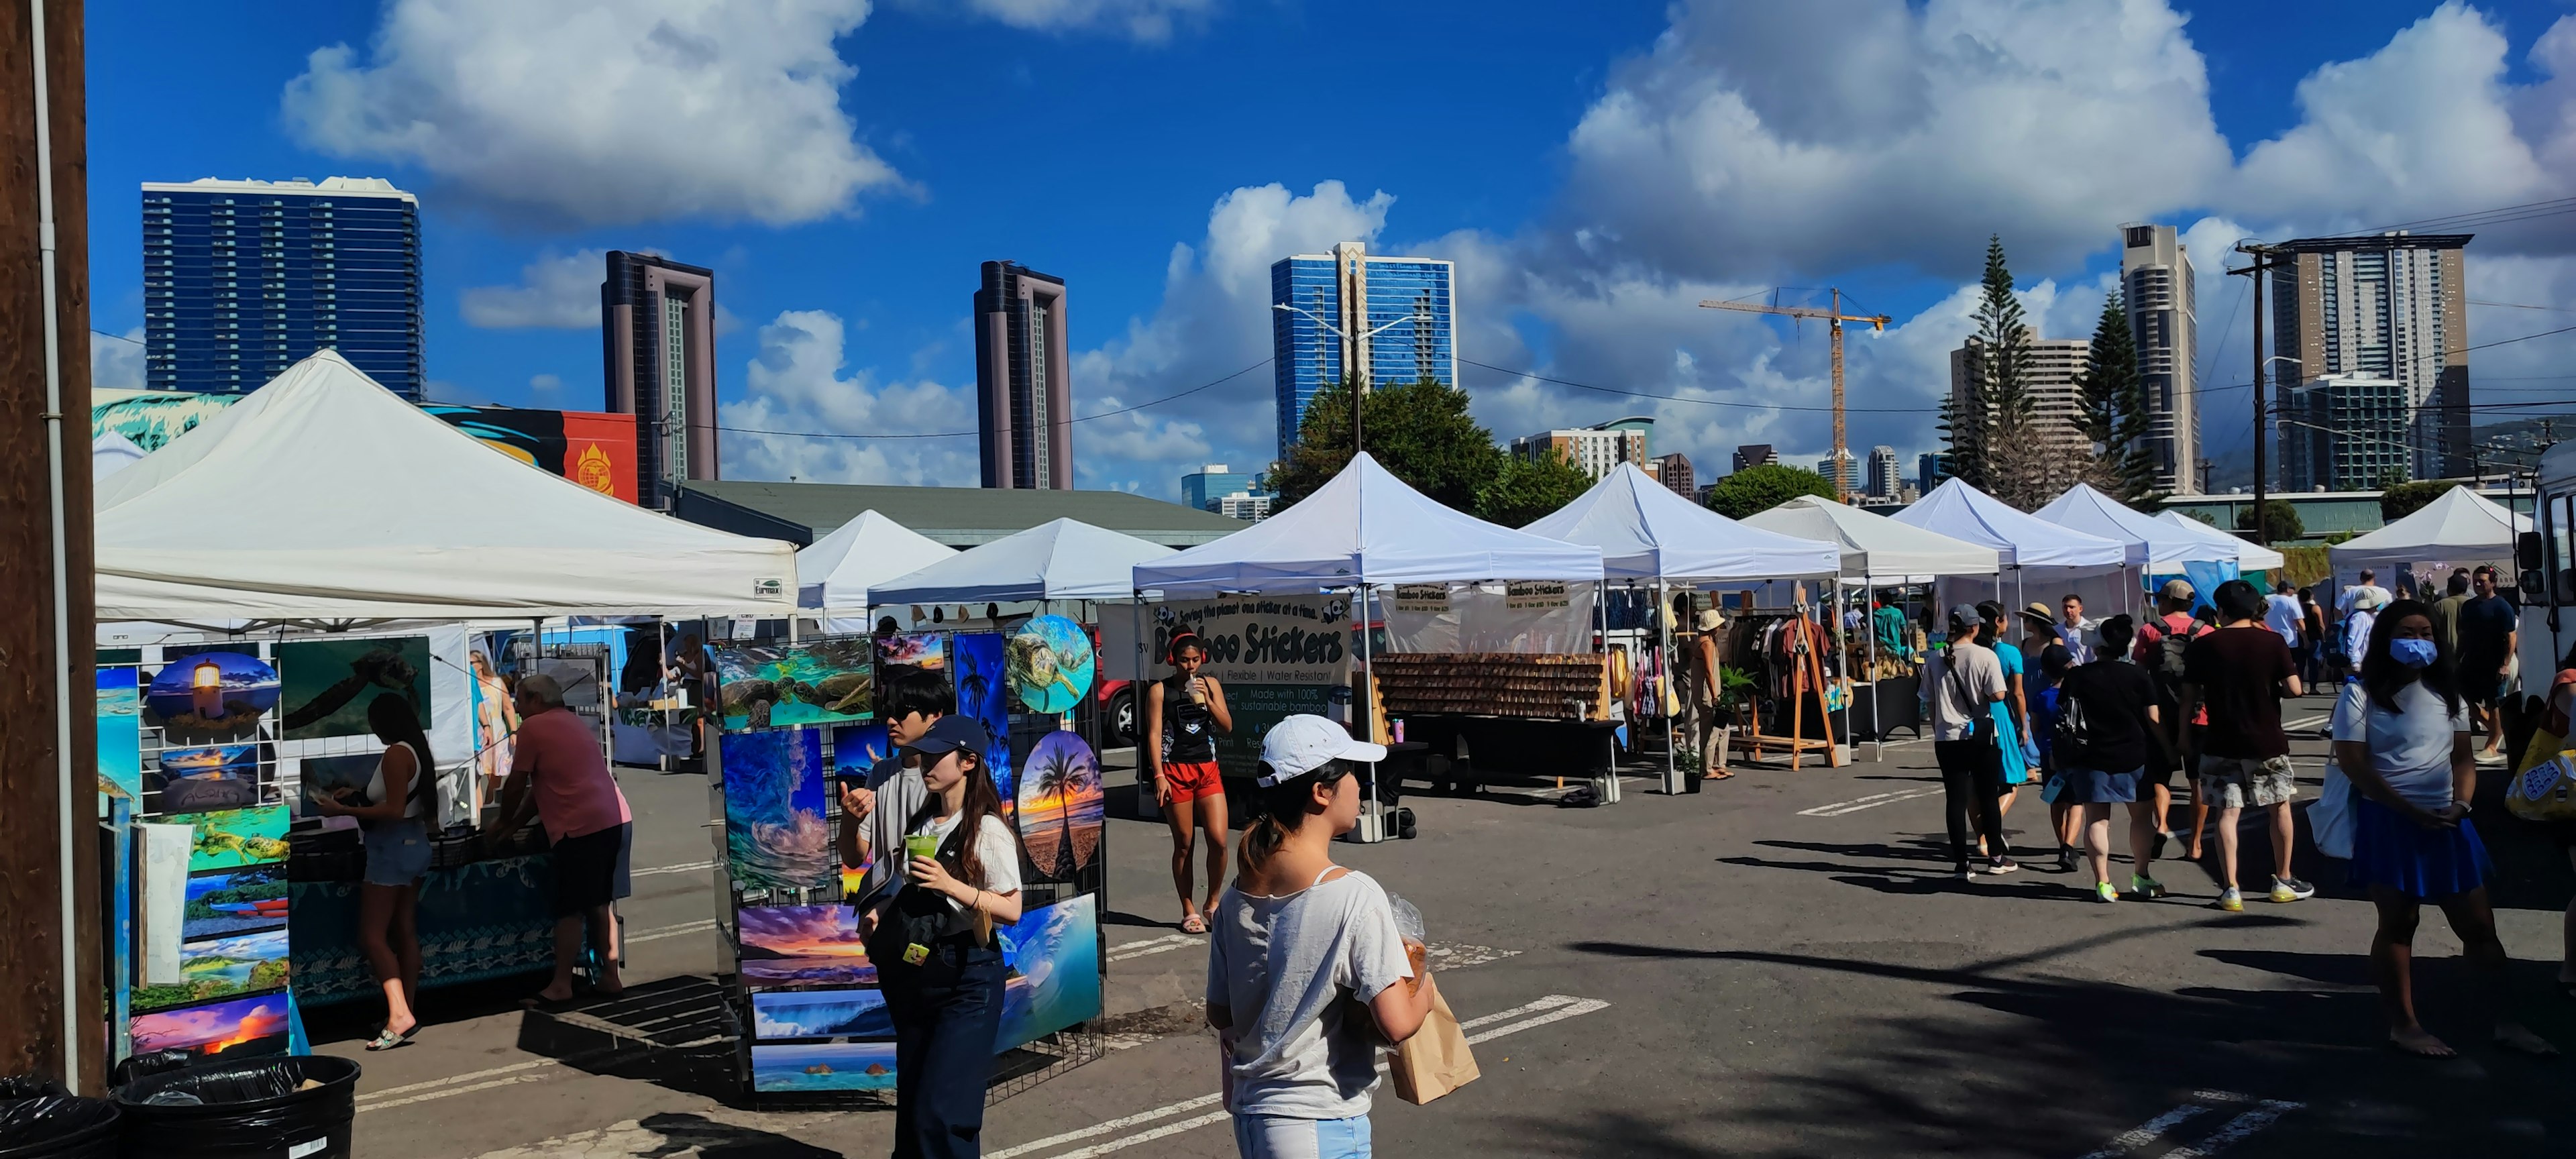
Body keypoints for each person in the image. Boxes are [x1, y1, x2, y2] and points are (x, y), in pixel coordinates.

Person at [2332, 602, 2557, 1059]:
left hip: (2448, 823)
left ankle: (2506, 1022)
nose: (2420, 639)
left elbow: (2463, 760)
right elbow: (2354, 764)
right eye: (2408, 630)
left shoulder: (2448, 695)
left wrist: (2462, 804)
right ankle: (2405, 1025)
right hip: (2390, 824)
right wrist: (2407, 810)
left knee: (2479, 928)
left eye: (2427, 632)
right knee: (2398, 923)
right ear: (2386, 639)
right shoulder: (2360, 695)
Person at [1208, 715, 1432, 1159]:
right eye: (1349, 771)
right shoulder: (1353, 895)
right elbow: (1397, 1023)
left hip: (1253, 1116)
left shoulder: (1235, 898)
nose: (1359, 784)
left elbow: (1220, 1013)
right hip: (1320, 1121)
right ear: (1321, 791)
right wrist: (1426, 988)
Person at [865, 716, 1023, 1158]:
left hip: (968, 978)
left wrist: (952, 886)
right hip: (918, 975)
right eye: (925, 754)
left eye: (938, 755)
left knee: (942, 1115)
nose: (926, 762)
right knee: (914, 1113)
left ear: (968, 762)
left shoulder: (988, 829)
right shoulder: (923, 822)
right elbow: (903, 886)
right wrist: (880, 910)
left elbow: (1011, 909)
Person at [487, 673, 631, 1004]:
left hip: (582, 827)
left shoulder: (534, 728)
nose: (518, 707)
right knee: (598, 903)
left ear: (536, 699)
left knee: (570, 908)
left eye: (520, 700)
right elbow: (541, 792)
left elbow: (516, 784)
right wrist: (510, 826)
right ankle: (610, 976)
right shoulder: (571, 721)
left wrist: (503, 823)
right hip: (615, 818)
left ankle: (561, 985)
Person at [309, 693, 437, 1050]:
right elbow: (401, 801)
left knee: (372, 936)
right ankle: (405, 1012)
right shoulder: (415, 750)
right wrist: (361, 795)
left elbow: (394, 809)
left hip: (392, 849)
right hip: (413, 846)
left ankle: (399, 1014)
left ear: (384, 722)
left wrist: (343, 810)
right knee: (404, 930)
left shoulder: (397, 753)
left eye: (372, 721)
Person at [2183, 580, 2310, 912]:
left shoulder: (2205, 645)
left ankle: (2231, 889)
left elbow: (2189, 696)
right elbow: (2295, 689)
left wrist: (2183, 734)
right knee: (2279, 806)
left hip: (2221, 738)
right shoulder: (2272, 641)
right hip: (2267, 739)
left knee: (2227, 812)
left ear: (2221, 611)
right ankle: (2283, 880)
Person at [2055, 624, 2161, 902]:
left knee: (2097, 820)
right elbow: (2153, 717)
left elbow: (2064, 714)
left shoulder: (2077, 676)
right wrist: (2169, 747)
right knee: (2141, 818)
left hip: (2090, 756)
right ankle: (2141, 876)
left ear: (2097, 647)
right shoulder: (2138, 676)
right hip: (2134, 754)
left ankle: (2103, 883)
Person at [838, 667, 953, 909]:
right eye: (889, 712)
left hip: (942, 916)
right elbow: (853, 858)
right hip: (889, 919)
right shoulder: (880, 774)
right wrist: (850, 824)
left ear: (936, 716)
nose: (891, 721)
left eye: (901, 712)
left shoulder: (956, 776)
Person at [1146, 632, 1236, 933]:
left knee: (1219, 839)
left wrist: (1208, 699)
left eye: (1195, 660)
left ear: (1203, 659)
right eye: (1184, 660)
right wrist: (1159, 775)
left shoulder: (1210, 684)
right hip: (1176, 771)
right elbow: (1154, 735)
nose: (1190, 667)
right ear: (1173, 660)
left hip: (1207, 769)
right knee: (1185, 842)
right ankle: (1188, 908)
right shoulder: (1160, 691)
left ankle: (1213, 902)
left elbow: (1227, 726)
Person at [1925, 605, 2015, 879]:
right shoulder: (1985, 656)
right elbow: (1998, 695)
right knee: (1988, 796)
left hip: (1947, 737)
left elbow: (1928, 700)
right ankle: (1996, 857)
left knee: (1956, 799)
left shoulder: (1935, 657)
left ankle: (1962, 864)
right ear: (1974, 628)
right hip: (1981, 734)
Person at [2135, 579, 2212, 861]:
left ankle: (2163, 824)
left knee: (2159, 776)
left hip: (2161, 713)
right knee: (2198, 782)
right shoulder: (2205, 632)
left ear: (2165, 601)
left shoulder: (2150, 630)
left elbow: (2140, 673)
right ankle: (2194, 844)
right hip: (2199, 715)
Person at [2023, 637, 2082, 872]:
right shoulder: (2079, 694)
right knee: (2076, 803)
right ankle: (2069, 845)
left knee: (2055, 801)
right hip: (2076, 754)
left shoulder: (2041, 697)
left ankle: (2062, 844)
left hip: (2050, 754)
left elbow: (2035, 727)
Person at [1976, 602, 2033, 834]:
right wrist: (2023, 726)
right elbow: (2018, 693)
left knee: (1978, 785)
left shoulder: (1968, 651)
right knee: (2010, 781)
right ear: (1999, 622)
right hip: (2001, 715)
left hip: (1971, 716)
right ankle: (1989, 831)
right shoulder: (2009, 653)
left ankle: (1983, 835)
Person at [2459, 565, 2520, 764]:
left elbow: (2511, 637)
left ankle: (2492, 745)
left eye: (2482, 580)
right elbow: (2464, 635)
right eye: (2475, 580)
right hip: (2471, 662)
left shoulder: (2502, 606)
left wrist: (2505, 664)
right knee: (2464, 697)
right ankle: (2494, 729)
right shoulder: (2468, 606)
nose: (2477, 584)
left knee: (2495, 703)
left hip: (2495, 663)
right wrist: (2457, 656)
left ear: (2493, 583)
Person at [1689, 609, 1735, 779]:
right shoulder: (1706, 644)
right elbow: (1709, 671)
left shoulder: (1704, 641)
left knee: (1722, 729)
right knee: (1712, 730)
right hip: (1708, 693)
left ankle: (1717, 764)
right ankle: (1708, 768)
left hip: (1708, 691)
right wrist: (1715, 695)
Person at [470, 650, 519, 806]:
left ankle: (490, 801)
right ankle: (482, 807)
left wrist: (514, 731)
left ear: (481, 664)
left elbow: (508, 708)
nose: (469, 666)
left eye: (471, 663)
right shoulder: (470, 684)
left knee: (497, 772)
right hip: (479, 733)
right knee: (480, 771)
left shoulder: (497, 682)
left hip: (498, 732)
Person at [2429, 569, 2472, 661]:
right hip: (2469, 654)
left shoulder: (2439, 605)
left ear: (2449, 588)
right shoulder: (2474, 604)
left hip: (2445, 654)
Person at [2263, 580, 2304, 653]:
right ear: (2288, 589)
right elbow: (2299, 622)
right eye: (2293, 588)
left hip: (2271, 639)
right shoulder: (2292, 602)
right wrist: (2305, 639)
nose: (2294, 591)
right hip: (2289, 640)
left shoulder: (2268, 601)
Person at [2055, 594, 2098, 665]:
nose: (2068, 610)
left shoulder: (2089, 628)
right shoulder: (2057, 630)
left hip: (2085, 672)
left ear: (2080, 609)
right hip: (2065, 674)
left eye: (2072, 607)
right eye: (2065, 607)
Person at [2300, 586, 2329, 689]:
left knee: (2300, 664)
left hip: (2300, 638)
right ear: (2312, 596)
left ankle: (2299, 687)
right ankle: (2313, 688)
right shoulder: (2315, 608)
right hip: (2314, 638)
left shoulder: (2297, 608)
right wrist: (2324, 637)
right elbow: (2321, 624)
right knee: (2314, 664)